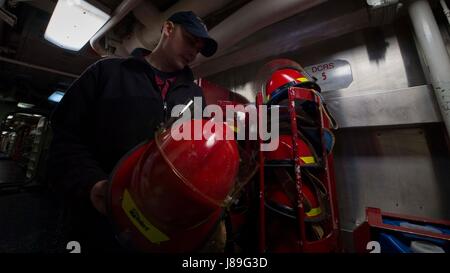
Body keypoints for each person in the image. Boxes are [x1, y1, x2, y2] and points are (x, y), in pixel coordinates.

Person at [47, 11, 218, 252]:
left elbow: (192, 157)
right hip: (95, 222)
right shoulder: (107, 73)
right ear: (168, 29)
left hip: (154, 229)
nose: (193, 52)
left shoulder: (195, 96)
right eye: (190, 40)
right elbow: (65, 139)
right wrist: (92, 184)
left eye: (199, 48)